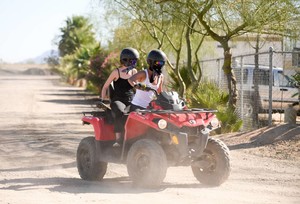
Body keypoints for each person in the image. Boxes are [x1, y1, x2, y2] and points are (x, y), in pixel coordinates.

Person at [101, 47, 139, 147]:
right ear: (125, 60)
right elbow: (105, 86)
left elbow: (138, 87)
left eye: (135, 60)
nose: (134, 62)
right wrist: (102, 100)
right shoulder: (116, 72)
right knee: (120, 112)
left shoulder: (134, 71)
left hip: (131, 100)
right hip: (118, 100)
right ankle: (118, 140)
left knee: (138, 114)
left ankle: (134, 137)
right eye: (133, 60)